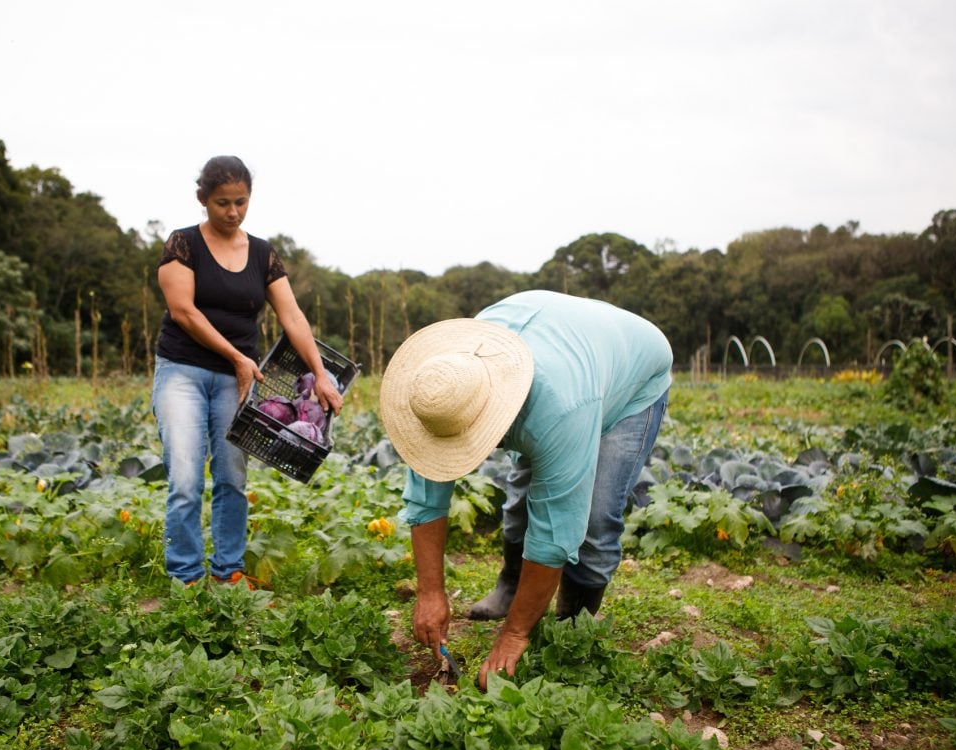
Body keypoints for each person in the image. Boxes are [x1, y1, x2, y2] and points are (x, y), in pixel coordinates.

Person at [379, 290, 672, 688]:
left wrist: (513, 637)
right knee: (520, 500)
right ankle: (511, 584)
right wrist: (430, 592)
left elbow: (555, 534)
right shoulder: (443, 388)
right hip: (560, 339)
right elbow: (425, 499)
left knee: (595, 518)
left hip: (632, 374)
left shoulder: (559, 407)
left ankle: (570, 630)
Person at [152, 155, 341, 587]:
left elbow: (292, 316)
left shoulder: (261, 253)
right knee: (184, 476)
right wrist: (237, 358)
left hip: (238, 380)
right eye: (222, 203)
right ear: (203, 199)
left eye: (240, 201)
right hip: (183, 371)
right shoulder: (183, 244)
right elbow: (182, 311)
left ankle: (227, 570)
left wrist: (321, 374)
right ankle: (185, 576)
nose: (233, 212)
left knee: (232, 476)